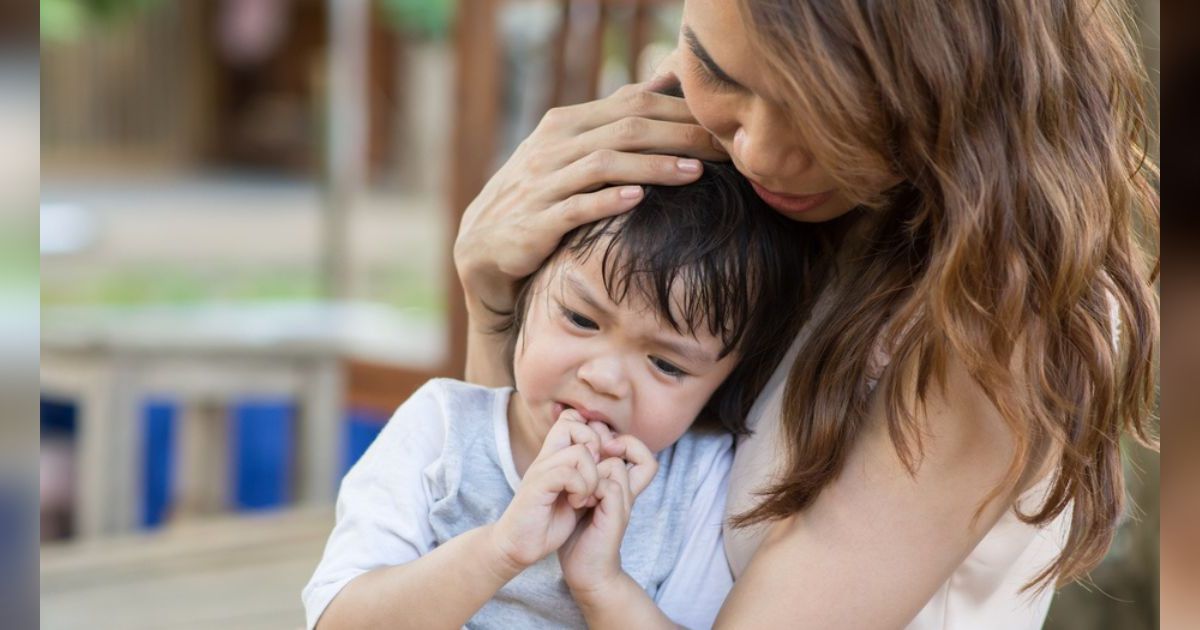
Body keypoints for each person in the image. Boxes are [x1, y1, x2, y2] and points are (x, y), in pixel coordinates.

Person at [452, 0, 1160, 628]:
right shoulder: (724, 187)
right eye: (716, 70)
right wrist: (494, 307)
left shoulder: (999, 316)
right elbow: (498, 552)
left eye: (824, 110)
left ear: (953, 83)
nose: (757, 148)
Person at [303, 163, 822, 629]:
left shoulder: (698, 482)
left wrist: (603, 586)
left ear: (722, 386)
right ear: (526, 291)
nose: (604, 378)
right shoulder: (443, 428)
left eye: (666, 363)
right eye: (580, 318)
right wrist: (502, 549)